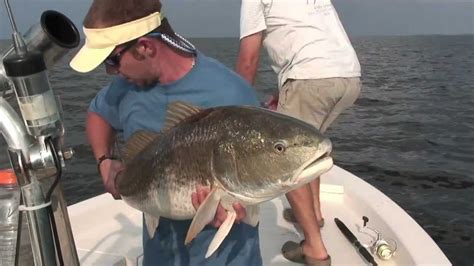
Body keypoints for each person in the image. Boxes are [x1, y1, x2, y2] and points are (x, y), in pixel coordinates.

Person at [69, 0, 262, 265]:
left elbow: (255, 180)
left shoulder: (232, 94)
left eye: (113, 60)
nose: (110, 71)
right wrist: (104, 161)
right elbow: (97, 113)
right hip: (159, 255)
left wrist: (236, 208)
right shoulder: (125, 88)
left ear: (145, 47)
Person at [236, 0, 362, 264]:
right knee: (306, 149)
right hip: (348, 77)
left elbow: (248, 61)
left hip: (310, 76)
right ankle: (314, 214)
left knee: (286, 163)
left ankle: (314, 248)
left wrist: (236, 113)